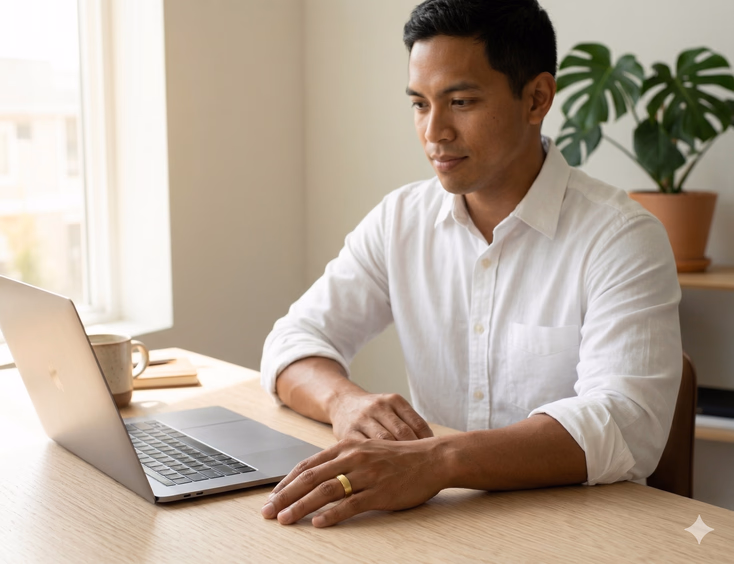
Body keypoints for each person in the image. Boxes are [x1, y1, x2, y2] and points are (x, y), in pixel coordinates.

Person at [259, 0, 682, 528]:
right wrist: (344, 402)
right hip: (437, 525)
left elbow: (625, 425)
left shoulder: (621, 237)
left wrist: (436, 461)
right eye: (419, 104)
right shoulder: (400, 220)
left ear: (537, 98)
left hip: (578, 530)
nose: (434, 132)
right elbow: (292, 343)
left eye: (460, 101)